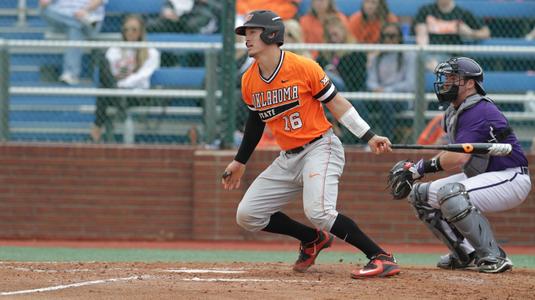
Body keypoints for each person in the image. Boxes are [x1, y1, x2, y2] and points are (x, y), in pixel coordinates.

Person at [221, 10, 400, 279]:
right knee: (247, 215)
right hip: (288, 157)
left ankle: (381, 256)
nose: (246, 38)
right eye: (245, 33)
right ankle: (312, 240)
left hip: (320, 147)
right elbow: (256, 121)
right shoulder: (249, 80)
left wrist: (369, 135)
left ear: (271, 35)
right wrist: (240, 161)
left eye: (252, 32)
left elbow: (337, 105)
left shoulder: (303, 67)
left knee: (320, 212)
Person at [388, 57, 531, 273]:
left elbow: (459, 158)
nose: (446, 82)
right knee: (419, 195)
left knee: (451, 194)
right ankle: (465, 254)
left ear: (470, 83)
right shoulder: (454, 112)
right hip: (485, 175)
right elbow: (451, 153)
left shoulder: (478, 110)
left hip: (510, 177)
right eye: (446, 77)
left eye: (453, 77)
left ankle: (494, 257)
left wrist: (418, 169)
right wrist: (417, 171)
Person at [90, 15, 161, 143]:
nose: (130, 33)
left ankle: (96, 128)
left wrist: (119, 85)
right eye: (126, 29)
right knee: (102, 61)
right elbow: (109, 74)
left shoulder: (151, 53)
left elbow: (142, 76)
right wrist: (116, 86)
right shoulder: (115, 50)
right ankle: (119, 104)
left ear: (141, 32)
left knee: (104, 91)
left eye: (134, 29)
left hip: (137, 95)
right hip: (117, 93)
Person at [366, 23, 416, 138]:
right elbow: (370, 80)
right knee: (358, 102)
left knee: (386, 102)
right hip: (378, 95)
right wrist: (375, 88)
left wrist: (386, 90)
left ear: (399, 38)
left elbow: (410, 84)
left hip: (401, 98)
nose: (389, 39)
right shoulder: (377, 56)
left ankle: (386, 141)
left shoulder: (408, 55)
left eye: (392, 36)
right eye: (385, 36)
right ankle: (364, 139)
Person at [39, 0, 106, 85]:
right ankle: (71, 74)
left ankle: (71, 73)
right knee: (44, 9)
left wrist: (85, 11)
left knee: (75, 30)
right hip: (71, 20)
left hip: (90, 16)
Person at [316, 15, 367, 92]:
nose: (332, 39)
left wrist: (338, 74)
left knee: (325, 75)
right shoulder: (324, 53)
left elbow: (357, 81)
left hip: (347, 89)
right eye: (329, 36)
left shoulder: (355, 52)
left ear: (343, 32)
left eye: (335, 34)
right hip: (326, 89)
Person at [414, 0, 490, 46]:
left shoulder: (462, 13)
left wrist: (471, 33)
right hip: (430, 51)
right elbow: (421, 34)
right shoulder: (426, 11)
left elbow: (486, 32)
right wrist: (421, 34)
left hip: (452, 54)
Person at [146, 0, 222, 34]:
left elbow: (223, 10)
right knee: (151, 25)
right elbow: (171, 3)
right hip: (176, 21)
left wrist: (207, 1)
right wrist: (167, 10)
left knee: (191, 26)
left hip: (200, 21)